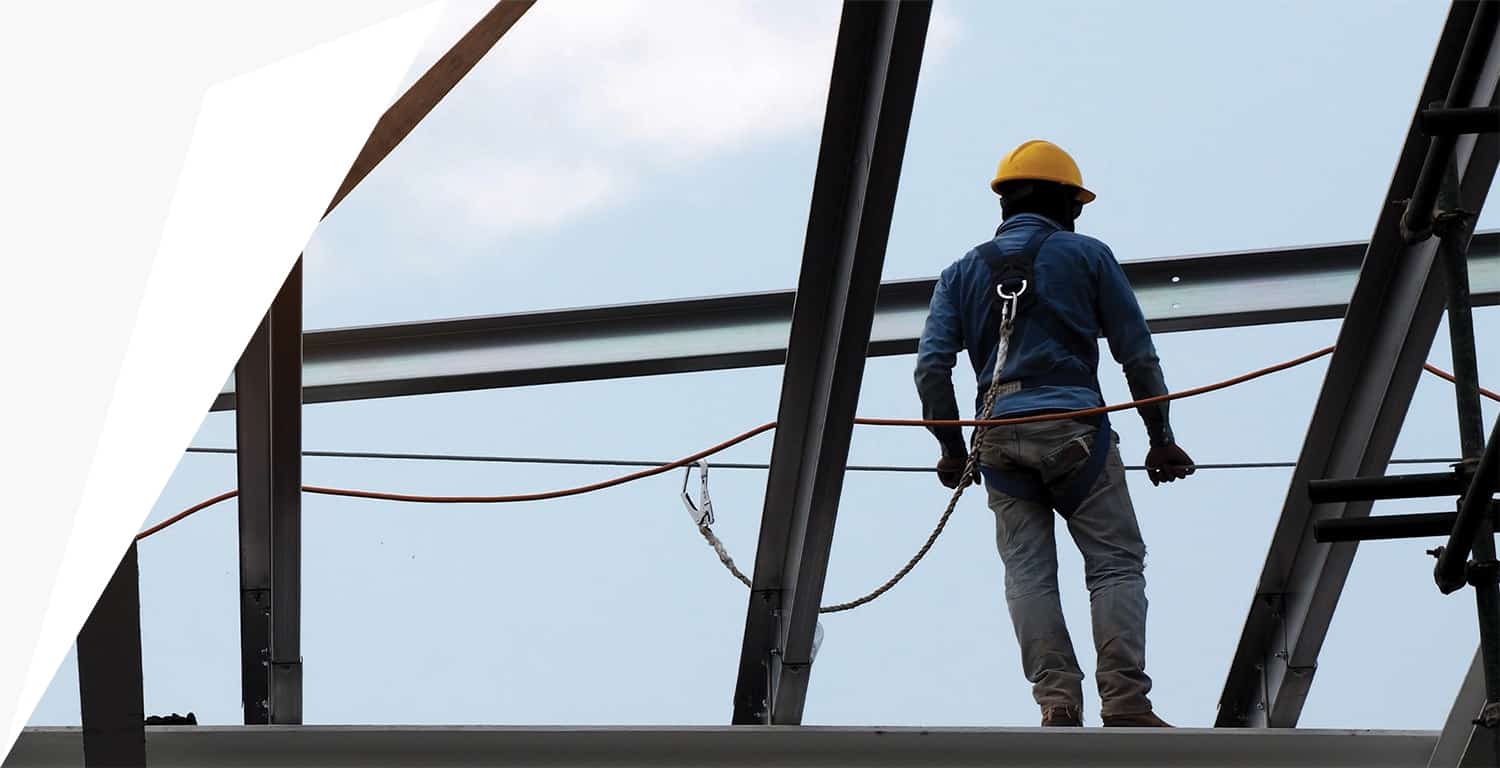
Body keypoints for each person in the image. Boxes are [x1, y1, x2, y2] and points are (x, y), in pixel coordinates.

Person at [914, 139, 1195, 728]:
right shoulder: (1087, 255)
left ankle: (1057, 704)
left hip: (997, 436)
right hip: (1075, 429)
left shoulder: (959, 273)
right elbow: (1136, 355)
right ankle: (1125, 702)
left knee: (1027, 572)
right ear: (1062, 200)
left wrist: (951, 450)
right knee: (1115, 563)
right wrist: (1160, 437)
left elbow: (931, 368)